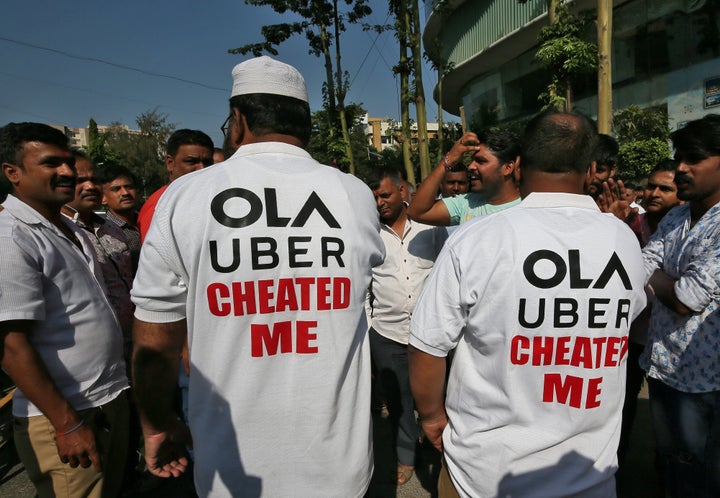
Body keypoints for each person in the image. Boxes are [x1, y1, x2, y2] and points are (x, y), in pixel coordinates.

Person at [131, 56, 384, 497]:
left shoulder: (186, 195)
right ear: (303, 123)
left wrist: (156, 423)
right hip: (338, 466)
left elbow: (155, 338)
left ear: (238, 121)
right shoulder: (352, 192)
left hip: (232, 467)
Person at [408, 111, 647, 498]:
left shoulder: (477, 238)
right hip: (590, 475)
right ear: (589, 170)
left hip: (484, 476)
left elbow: (427, 343)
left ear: (519, 165)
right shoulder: (623, 240)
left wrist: (432, 417)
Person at [0, 122, 129, 498]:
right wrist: (67, 424)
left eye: (69, 163)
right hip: (66, 414)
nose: (67, 173)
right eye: (50, 163)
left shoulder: (72, 230)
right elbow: (10, 345)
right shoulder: (11, 237)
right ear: (13, 173)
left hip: (106, 398)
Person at [640, 114, 720, 497]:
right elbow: (640, 261)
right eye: (679, 158)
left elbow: (688, 299)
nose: (681, 169)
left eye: (694, 159)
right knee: (669, 460)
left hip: (703, 379)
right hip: (661, 365)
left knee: (700, 468)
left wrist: (654, 275)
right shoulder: (676, 215)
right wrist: (658, 275)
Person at [366, 169, 446, 486]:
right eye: (373, 197)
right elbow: (364, 286)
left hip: (432, 336)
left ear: (402, 191)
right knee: (400, 402)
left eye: (385, 195)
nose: (379, 202)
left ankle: (444, 452)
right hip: (388, 334)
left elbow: (446, 271)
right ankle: (406, 455)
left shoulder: (431, 226)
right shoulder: (369, 233)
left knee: (440, 397)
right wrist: (372, 327)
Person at [617, 160, 682, 463]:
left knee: (670, 423)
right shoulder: (628, 225)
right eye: (651, 186)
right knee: (622, 406)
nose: (654, 193)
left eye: (665, 188)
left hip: (667, 342)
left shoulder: (687, 232)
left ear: (681, 195)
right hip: (630, 338)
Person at [61, 150, 135, 361]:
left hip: (133, 340)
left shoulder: (112, 228)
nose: (90, 186)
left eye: (95, 180)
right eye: (80, 180)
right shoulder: (58, 231)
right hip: (91, 353)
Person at [407, 129, 521, 226]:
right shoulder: (466, 203)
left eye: (481, 161)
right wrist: (448, 161)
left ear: (507, 167)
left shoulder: (528, 207)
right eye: (472, 160)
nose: (471, 166)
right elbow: (416, 212)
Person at [136, 129, 214, 241]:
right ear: (170, 163)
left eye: (207, 162)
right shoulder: (158, 207)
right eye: (191, 162)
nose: (202, 168)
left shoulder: (210, 198)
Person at [100, 163, 141, 271]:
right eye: (116, 189)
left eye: (129, 187)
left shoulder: (151, 220)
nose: (125, 193)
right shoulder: (104, 233)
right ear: (103, 198)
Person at [587, 133, 619, 200]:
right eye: (586, 169)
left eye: (599, 170)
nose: (591, 177)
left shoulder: (621, 208)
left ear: (612, 171)